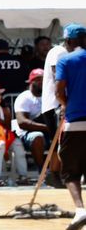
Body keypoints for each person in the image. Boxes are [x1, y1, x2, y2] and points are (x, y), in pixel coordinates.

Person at [54, 23, 86, 230]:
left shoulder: (64, 59)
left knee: (70, 172)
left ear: (68, 41)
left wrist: (68, 105)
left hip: (75, 122)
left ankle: (81, 210)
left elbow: (58, 92)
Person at [42, 30, 75, 188]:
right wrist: (64, 103)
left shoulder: (63, 52)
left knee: (57, 141)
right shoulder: (59, 51)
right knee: (58, 140)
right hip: (55, 103)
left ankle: (54, 173)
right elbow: (58, 75)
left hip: (58, 101)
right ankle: (52, 173)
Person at [14, 68, 59, 175]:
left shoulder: (49, 96)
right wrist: (46, 127)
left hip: (49, 132)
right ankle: (42, 171)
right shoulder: (24, 97)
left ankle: (61, 172)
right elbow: (22, 122)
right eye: (37, 79)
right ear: (31, 81)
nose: (41, 82)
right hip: (27, 134)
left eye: (43, 79)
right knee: (37, 136)